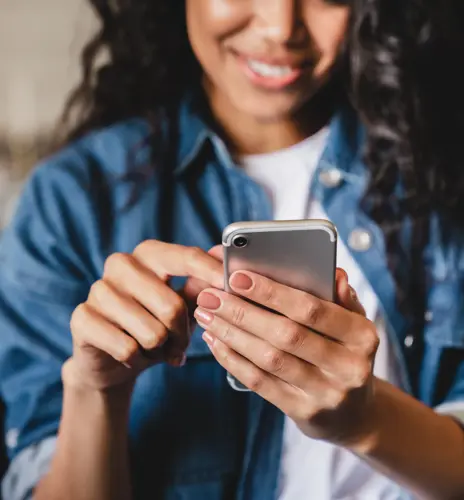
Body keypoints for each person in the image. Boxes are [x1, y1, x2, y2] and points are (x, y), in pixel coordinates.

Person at [1, 0, 464, 499]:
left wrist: (365, 420)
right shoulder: (72, 199)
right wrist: (97, 390)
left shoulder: (440, 172)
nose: (281, 27)